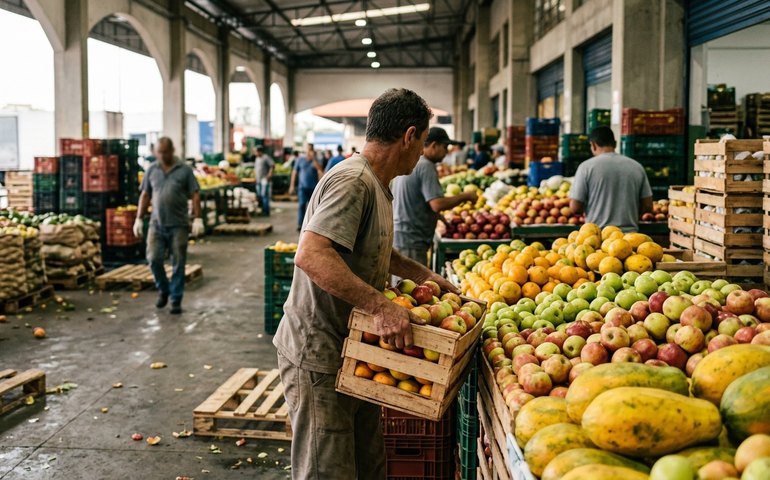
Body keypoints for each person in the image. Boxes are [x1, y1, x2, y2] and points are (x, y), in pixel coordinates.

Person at [273, 89, 459, 480]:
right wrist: (382, 307)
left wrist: (423, 276)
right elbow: (311, 254)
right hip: (319, 354)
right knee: (327, 470)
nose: (423, 151)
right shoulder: (353, 181)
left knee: (365, 466)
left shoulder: (377, 182)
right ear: (409, 136)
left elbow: (368, 247)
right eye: (423, 142)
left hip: (354, 352)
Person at [133, 137, 204, 314]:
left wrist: (198, 218)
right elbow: (145, 195)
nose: (162, 155)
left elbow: (195, 194)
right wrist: (139, 218)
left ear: (172, 150)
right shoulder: (152, 170)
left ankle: (175, 299)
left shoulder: (185, 170)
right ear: (156, 152)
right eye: (159, 152)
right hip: (156, 224)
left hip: (179, 224)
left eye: (165, 152)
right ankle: (164, 289)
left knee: (178, 262)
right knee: (153, 259)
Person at [392, 127, 479, 265]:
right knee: (412, 284)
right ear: (434, 145)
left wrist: (438, 217)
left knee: (406, 284)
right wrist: (466, 196)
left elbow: (416, 199)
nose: (446, 151)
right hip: (412, 239)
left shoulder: (414, 163)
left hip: (402, 234)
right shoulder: (426, 166)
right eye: (445, 147)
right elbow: (437, 204)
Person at [569, 126, 653, 232]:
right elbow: (648, 206)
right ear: (615, 144)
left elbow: (575, 207)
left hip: (598, 237)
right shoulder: (636, 167)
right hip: (629, 238)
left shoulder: (586, 167)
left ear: (593, 145)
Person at [289, 144, 325, 231]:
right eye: (308, 150)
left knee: (313, 207)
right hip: (302, 188)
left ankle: (311, 226)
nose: (309, 152)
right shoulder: (300, 160)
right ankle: (300, 224)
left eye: (311, 150)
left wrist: (314, 159)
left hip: (313, 188)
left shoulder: (316, 161)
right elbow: (294, 173)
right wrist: (292, 185)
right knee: (301, 205)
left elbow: (321, 171)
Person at [254, 146, 274, 216]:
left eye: (256, 151)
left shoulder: (266, 157)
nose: (255, 153)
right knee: (260, 196)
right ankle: (262, 210)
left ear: (260, 151)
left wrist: (269, 175)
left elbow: (272, 165)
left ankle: (266, 211)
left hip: (264, 179)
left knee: (264, 195)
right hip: (258, 180)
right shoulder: (257, 158)